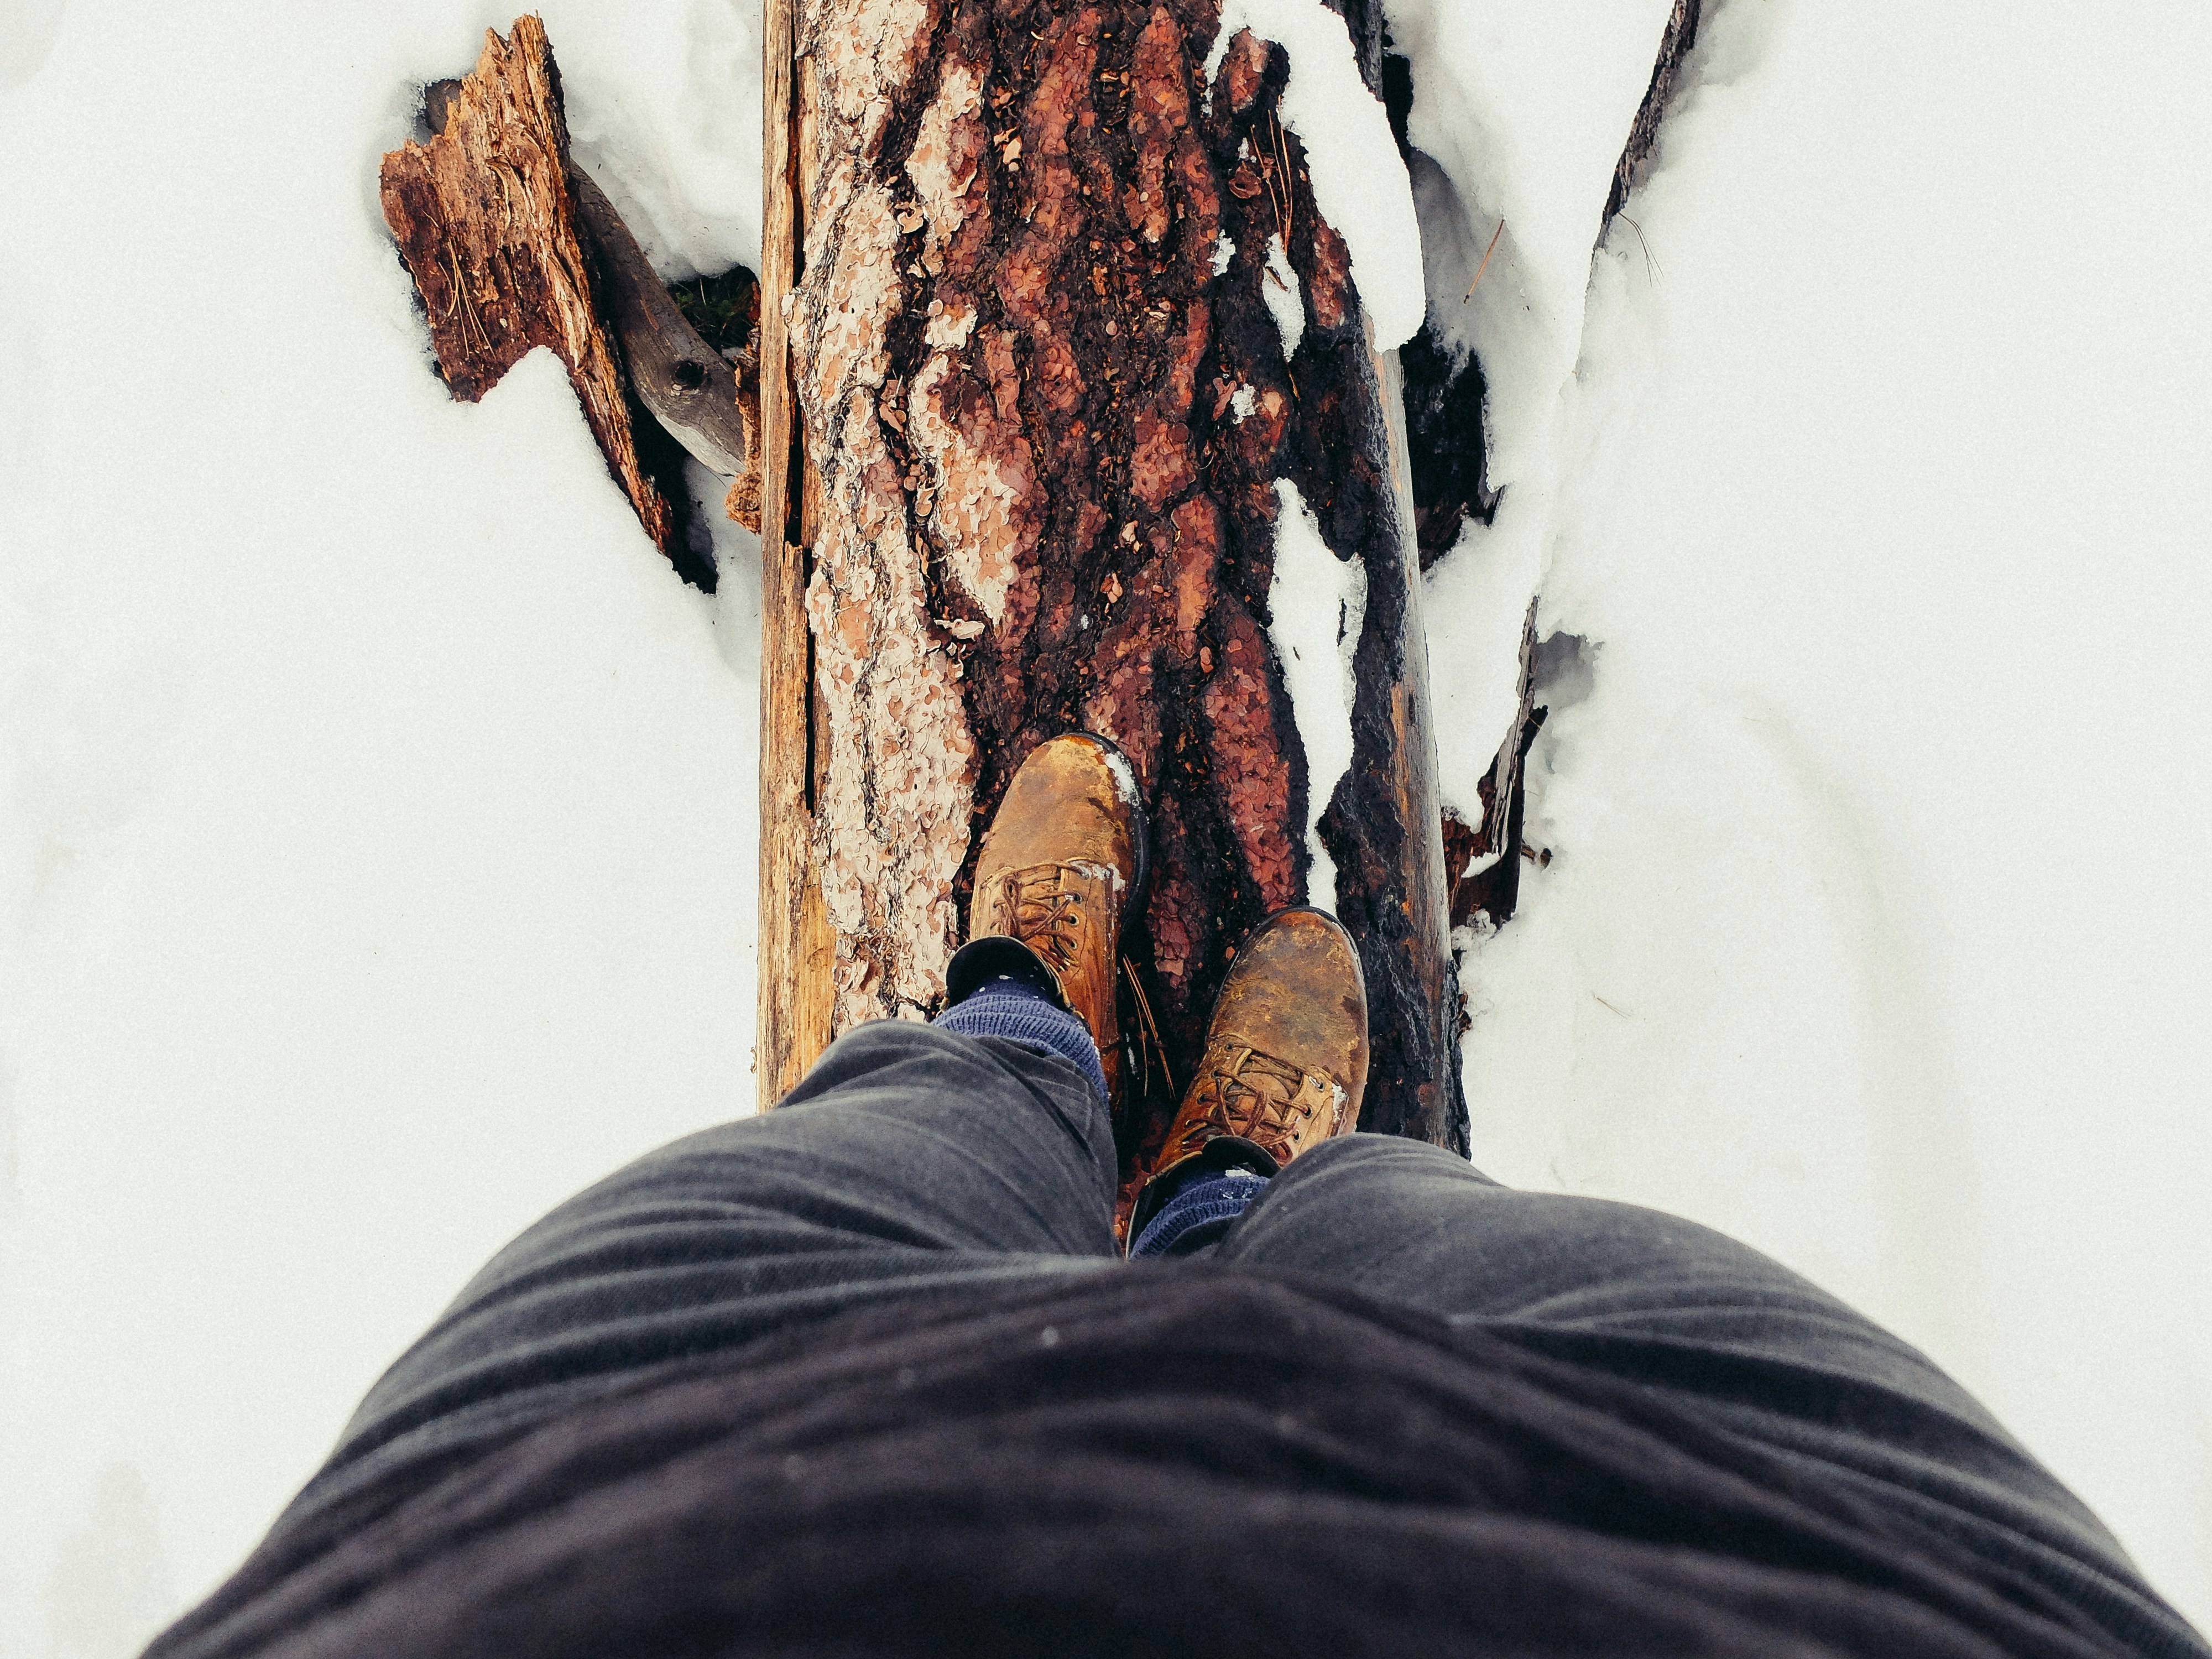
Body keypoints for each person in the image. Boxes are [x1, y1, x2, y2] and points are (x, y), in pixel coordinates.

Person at [148, 735, 2205, 1658]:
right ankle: (1229, 1191)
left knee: (889, 1144)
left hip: (568, 1529)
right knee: (1406, 1218)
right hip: (1787, 1551)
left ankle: (1032, 1035)